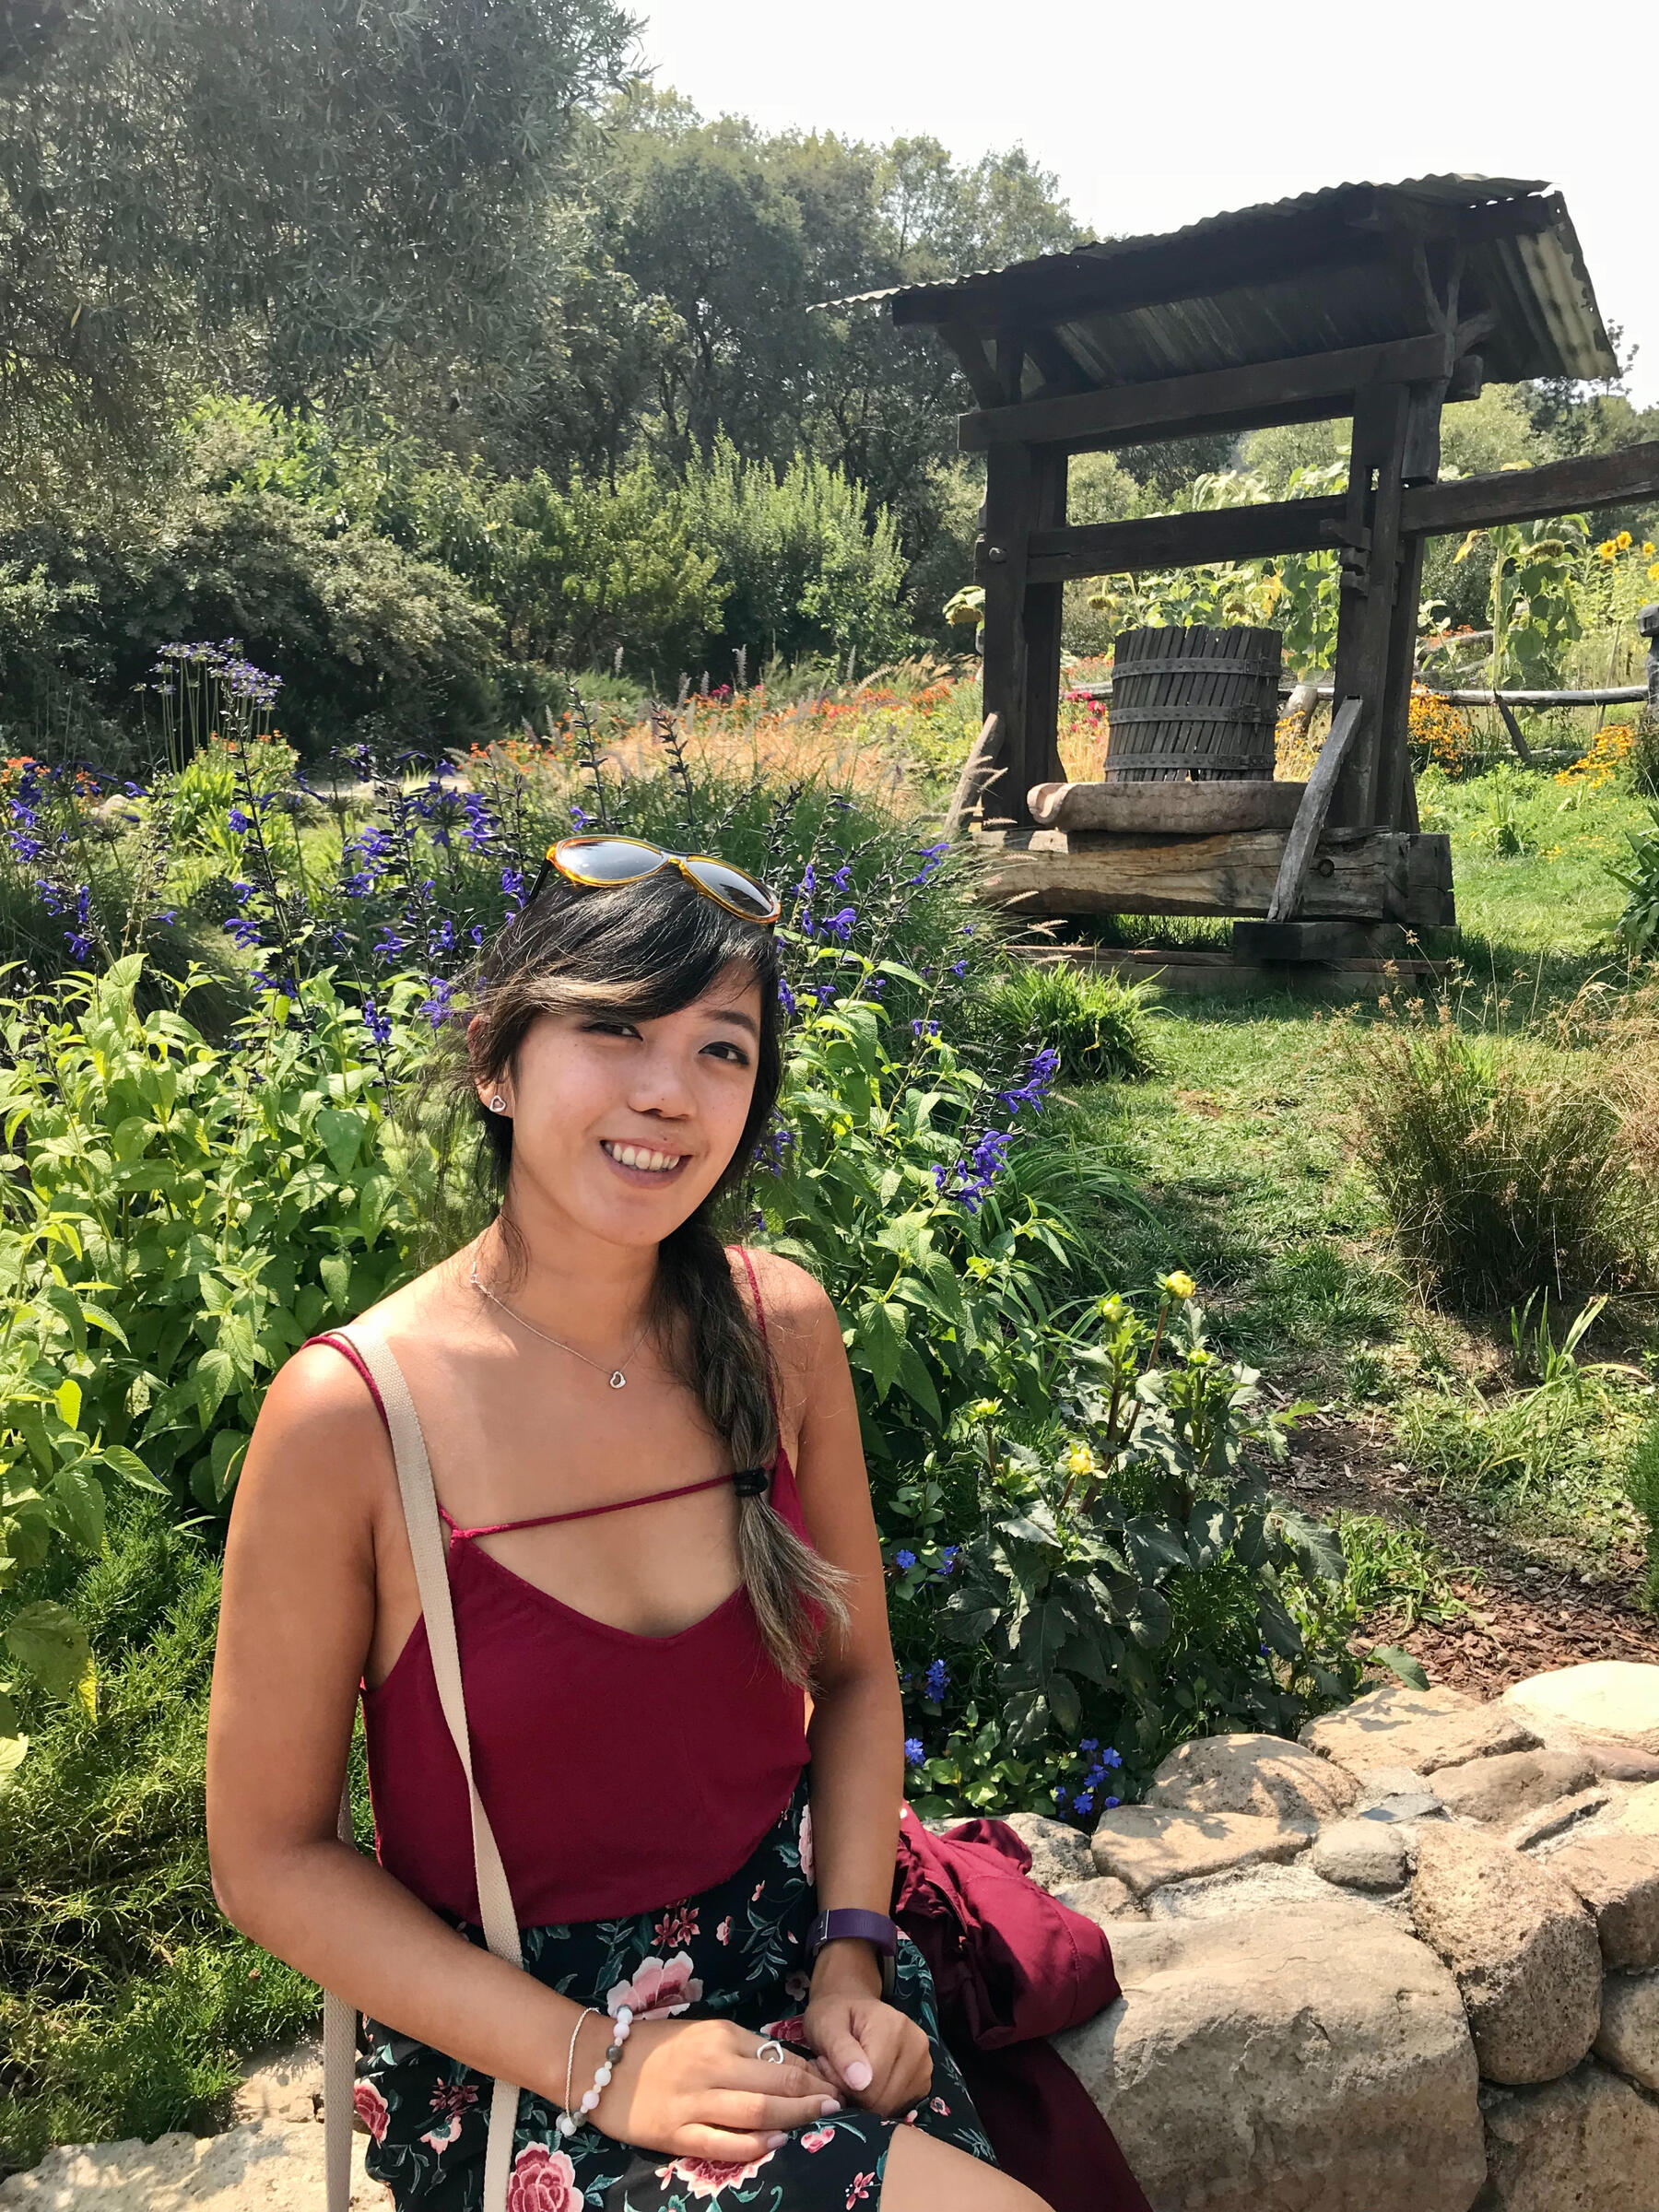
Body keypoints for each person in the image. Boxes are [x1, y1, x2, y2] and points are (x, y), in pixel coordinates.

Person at [206, 833, 1053, 2211]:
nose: (669, 1092)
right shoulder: (355, 1418)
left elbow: (852, 1676)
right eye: (614, 1030)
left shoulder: (780, 1333)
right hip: (519, 2043)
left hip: (796, 1971)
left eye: (722, 1049)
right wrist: (604, 2063)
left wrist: (851, 1954)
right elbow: (268, 1857)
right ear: (496, 1058)